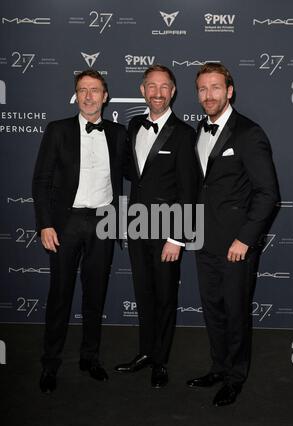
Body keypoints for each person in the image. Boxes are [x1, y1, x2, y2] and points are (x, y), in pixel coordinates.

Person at [187, 63, 279, 406]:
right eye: (202, 89)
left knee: (236, 312)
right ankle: (218, 367)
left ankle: (236, 377)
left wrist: (244, 240)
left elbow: (268, 194)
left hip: (236, 245)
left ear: (229, 91)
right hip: (204, 241)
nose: (208, 95)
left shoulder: (248, 133)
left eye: (215, 88)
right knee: (213, 309)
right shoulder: (200, 129)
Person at [32, 70, 127, 393]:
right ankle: (50, 364)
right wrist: (45, 223)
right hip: (65, 223)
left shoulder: (118, 133)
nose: (88, 96)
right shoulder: (57, 130)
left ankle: (91, 358)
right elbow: (41, 181)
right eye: (82, 90)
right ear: (76, 95)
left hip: (103, 221)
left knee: (95, 296)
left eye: (95, 90)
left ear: (106, 96)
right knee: (59, 296)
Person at [115, 65, 198, 387]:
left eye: (164, 87)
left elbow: (189, 189)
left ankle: (160, 361)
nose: (158, 92)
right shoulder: (134, 124)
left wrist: (177, 237)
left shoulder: (184, 133)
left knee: (164, 296)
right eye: (152, 86)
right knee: (144, 293)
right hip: (137, 226)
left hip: (167, 230)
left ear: (173, 91)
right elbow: (130, 174)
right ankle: (146, 352)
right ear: (142, 90)